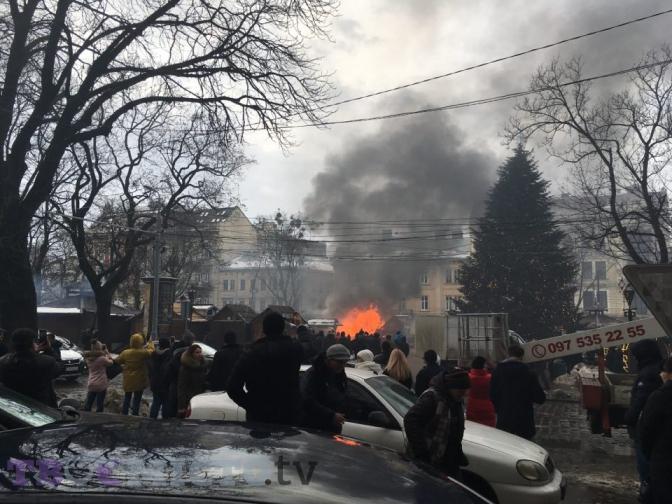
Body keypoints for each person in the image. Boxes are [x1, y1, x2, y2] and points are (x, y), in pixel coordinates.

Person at [228, 312, 303, 425]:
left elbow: (232, 386)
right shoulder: (295, 350)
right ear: (283, 328)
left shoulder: (252, 353)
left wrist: (252, 406)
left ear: (264, 329)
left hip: (259, 418)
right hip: (289, 416)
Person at [404, 368, 471, 479]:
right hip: (431, 460)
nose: (463, 395)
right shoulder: (432, 398)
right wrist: (422, 453)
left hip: (449, 460)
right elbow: (410, 420)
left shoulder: (455, 400)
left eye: (465, 391)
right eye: (460, 391)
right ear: (451, 386)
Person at [625, 339, 664, 503]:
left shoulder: (648, 374)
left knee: (647, 473)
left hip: (646, 430)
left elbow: (641, 401)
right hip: (656, 430)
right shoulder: (658, 368)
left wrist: (629, 418)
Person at [490, 345, 546, 440]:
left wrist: (498, 408)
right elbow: (540, 398)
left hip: (504, 418)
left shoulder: (497, 371)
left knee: (505, 447)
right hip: (524, 420)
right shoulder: (529, 372)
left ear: (508, 355)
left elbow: (492, 393)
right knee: (524, 450)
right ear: (522, 356)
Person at [639, 357, 672, 504]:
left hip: (664, 461)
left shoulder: (661, 396)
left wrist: (651, 455)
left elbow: (647, 430)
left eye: (664, 371)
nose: (662, 374)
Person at [0, 328, 63, 406]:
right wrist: (49, 350)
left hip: (14, 408)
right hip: (41, 410)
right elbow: (60, 369)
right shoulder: (47, 362)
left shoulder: (3, 362)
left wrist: (32, 352)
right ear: (32, 343)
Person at [301, 344, 350, 433]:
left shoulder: (339, 374)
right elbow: (307, 400)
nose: (342, 365)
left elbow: (342, 396)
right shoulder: (313, 375)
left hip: (333, 425)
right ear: (328, 360)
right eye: (339, 362)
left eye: (344, 362)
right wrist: (331, 415)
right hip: (314, 427)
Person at [115, 333, 154, 416]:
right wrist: (150, 342)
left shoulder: (125, 353)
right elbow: (151, 351)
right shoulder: (143, 353)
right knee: (137, 398)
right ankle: (135, 414)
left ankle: (124, 413)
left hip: (128, 380)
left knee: (127, 397)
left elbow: (118, 360)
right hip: (139, 380)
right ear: (140, 342)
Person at [163, 331, 195, 418]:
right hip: (182, 380)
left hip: (173, 379)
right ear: (190, 341)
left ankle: (170, 418)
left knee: (173, 402)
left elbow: (169, 364)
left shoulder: (174, 348)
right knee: (181, 401)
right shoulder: (188, 351)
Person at [177, 344, 207, 418]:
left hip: (200, 398)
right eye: (197, 352)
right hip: (189, 400)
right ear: (191, 354)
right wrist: (182, 407)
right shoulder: (186, 368)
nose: (200, 354)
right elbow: (182, 388)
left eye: (200, 352)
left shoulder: (202, 365)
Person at [83, 339, 114, 412]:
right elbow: (111, 362)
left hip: (91, 383)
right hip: (101, 384)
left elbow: (95, 354)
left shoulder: (88, 358)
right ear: (99, 348)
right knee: (99, 405)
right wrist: (107, 352)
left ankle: (86, 417)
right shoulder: (102, 359)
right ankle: (99, 419)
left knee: (88, 404)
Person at [466, 356, 496, 427]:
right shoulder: (490, 378)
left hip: (472, 407)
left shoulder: (468, 377)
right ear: (484, 366)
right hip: (488, 407)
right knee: (490, 432)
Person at [149, 337, 172, 419]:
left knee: (156, 401)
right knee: (165, 401)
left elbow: (150, 368)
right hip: (164, 383)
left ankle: (152, 418)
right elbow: (167, 369)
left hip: (154, 381)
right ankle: (165, 420)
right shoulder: (168, 354)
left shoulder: (154, 353)